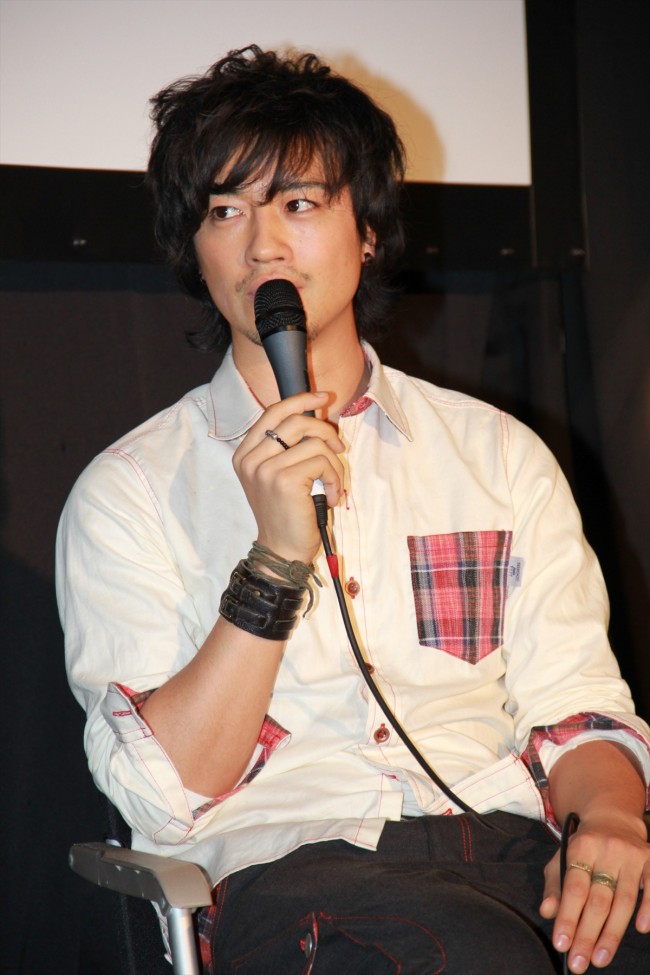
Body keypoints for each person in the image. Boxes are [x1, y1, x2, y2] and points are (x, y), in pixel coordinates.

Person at [56, 46, 650, 974]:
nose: (263, 244)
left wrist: (611, 818)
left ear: (367, 231)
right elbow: (163, 795)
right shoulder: (128, 490)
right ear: (195, 252)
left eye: (298, 203)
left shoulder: (496, 453)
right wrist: (274, 564)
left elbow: (576, 705)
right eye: (225, 210)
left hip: (514, 847)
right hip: (297, 869)